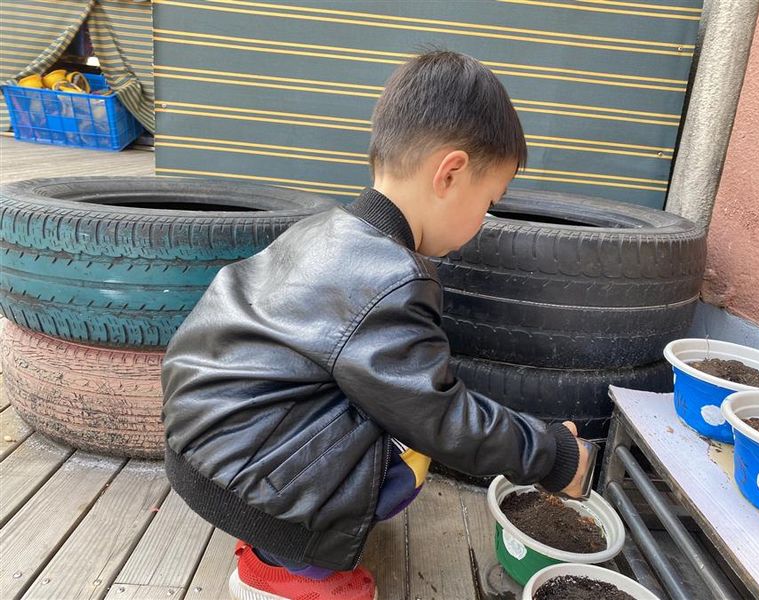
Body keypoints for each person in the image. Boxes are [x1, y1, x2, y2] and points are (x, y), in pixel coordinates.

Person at [161, 50, 591, 600]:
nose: (483, 221)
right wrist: (554, 454)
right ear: (450, 173)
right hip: (246, 478)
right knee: (413, 452)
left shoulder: (324, 230)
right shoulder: (391, 276)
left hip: (201, 449)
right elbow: (440, 417)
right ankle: (282, 572)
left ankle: (274, 540)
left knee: (397, 419)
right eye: (489, 201)